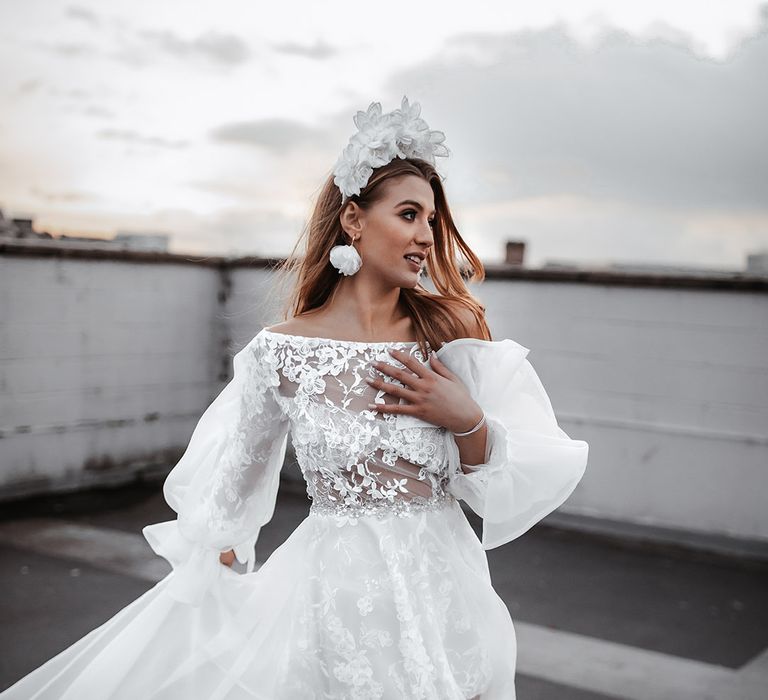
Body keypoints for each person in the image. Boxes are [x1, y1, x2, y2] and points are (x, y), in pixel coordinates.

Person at [0, 96, 589, 699]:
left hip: (448, 597)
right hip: (336, 604)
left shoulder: (449, 337)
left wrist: (467, 422)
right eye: (409, 214)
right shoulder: (278, 355)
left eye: (431, 221)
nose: (424, 235)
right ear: (354, 220)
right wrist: (217, 578)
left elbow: (513, 481)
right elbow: (234, 489)